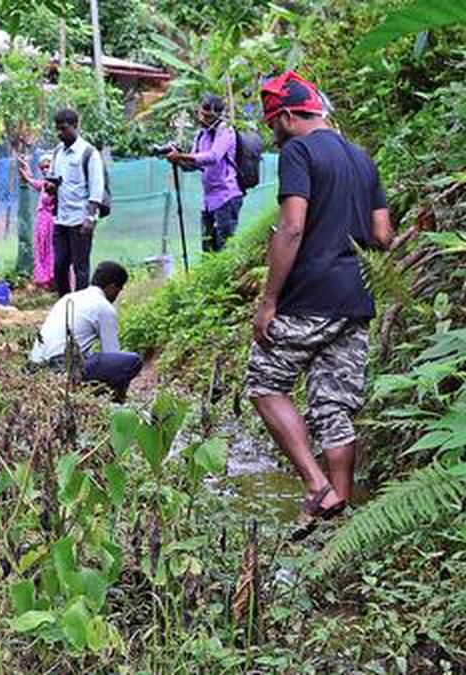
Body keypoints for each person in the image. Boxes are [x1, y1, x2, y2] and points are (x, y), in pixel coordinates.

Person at [246, 71, 393, 540]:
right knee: (334, 406)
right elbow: (382, 236)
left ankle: (315, 485)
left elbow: (291, 228)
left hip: (310, 296)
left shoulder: (299, 152)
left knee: (265, 382)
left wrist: (268, 302)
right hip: (356, 298)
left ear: (289, 117)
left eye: (274, 123)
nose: (274, 133)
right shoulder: (362, 158)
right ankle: (337, 516)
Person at [30, 261, 143, 401]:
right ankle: (114, 400)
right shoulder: (104, 307)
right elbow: (112, 353)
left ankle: (90, 393)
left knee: (90, 357)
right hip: (63, 367)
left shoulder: (69, 297)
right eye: (118, 291)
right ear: (112, 287)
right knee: (132, 361)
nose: (116, 296)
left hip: (37, 366)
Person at [166, 95, 243, 253]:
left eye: (208, 116)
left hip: (227, 196)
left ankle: (227, 277)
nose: (203, 119)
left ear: (218, 115)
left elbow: (213, 157)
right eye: (202, 114)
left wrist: (181, 156)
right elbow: (193, 164)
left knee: (225, 246)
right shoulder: (201, 134)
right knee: (207, 247)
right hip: (208, 200)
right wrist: (177, 159)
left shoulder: (226, 131)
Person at [47, 108, 105, 296]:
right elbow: (53, 179)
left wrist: (90, 218)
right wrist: (50, 187)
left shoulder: (89, 153)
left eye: (63, 129)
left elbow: (97, 189)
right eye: (57, 129)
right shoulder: (57, 152)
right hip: (61, 218)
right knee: (59, 266)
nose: (60, 133)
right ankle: (64, 304)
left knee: (81, 268)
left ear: (75, 126)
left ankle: (81, 307)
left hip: (80, 219)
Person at [17, 154, 57, 289]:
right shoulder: (45, 183)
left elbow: (46, 189)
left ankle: (55, 278)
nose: (45, 170)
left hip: (51, 223)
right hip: (41, 223)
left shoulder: (56, 184)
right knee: (41, 249)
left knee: (52, 249)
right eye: (42, 168)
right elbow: (36, 184)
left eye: (48, 166)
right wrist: (27, 175)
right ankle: (46, 279)